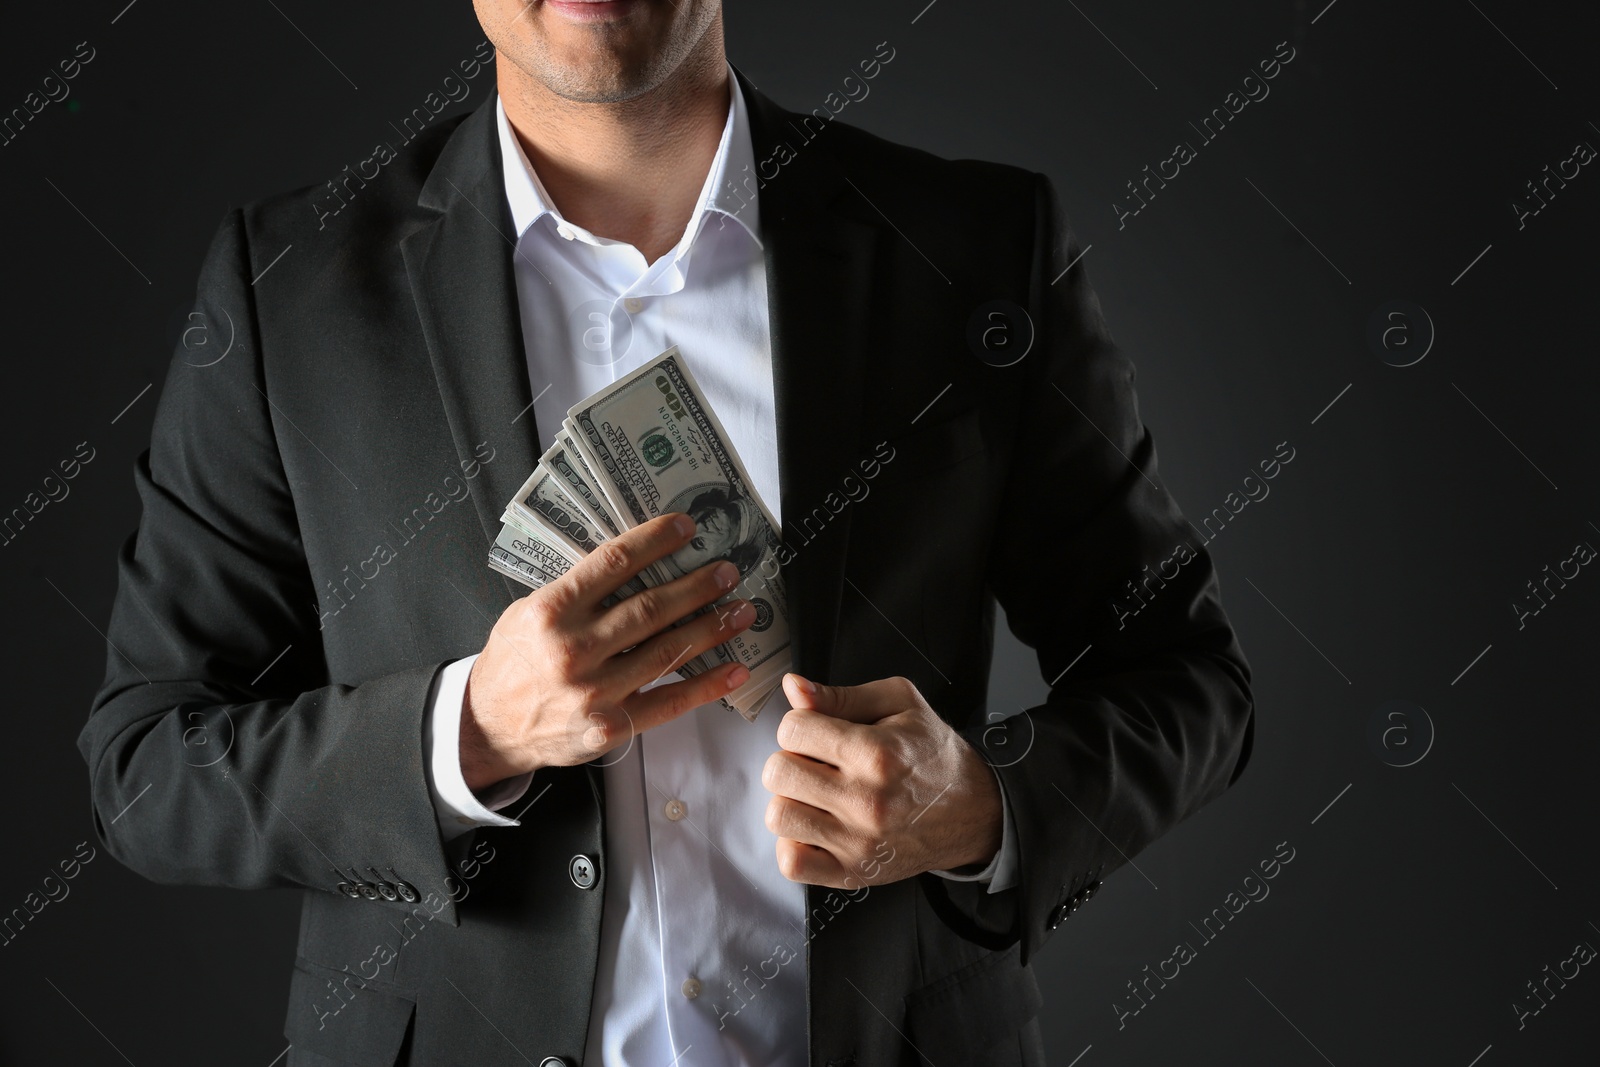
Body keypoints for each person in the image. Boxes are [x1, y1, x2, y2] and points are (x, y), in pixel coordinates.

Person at [78, 1, 1255, 1064]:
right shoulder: (289, 291)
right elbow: (147, 768)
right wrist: (468, 731)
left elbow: (1187, 680)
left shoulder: (977, 251)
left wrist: (979, 804)